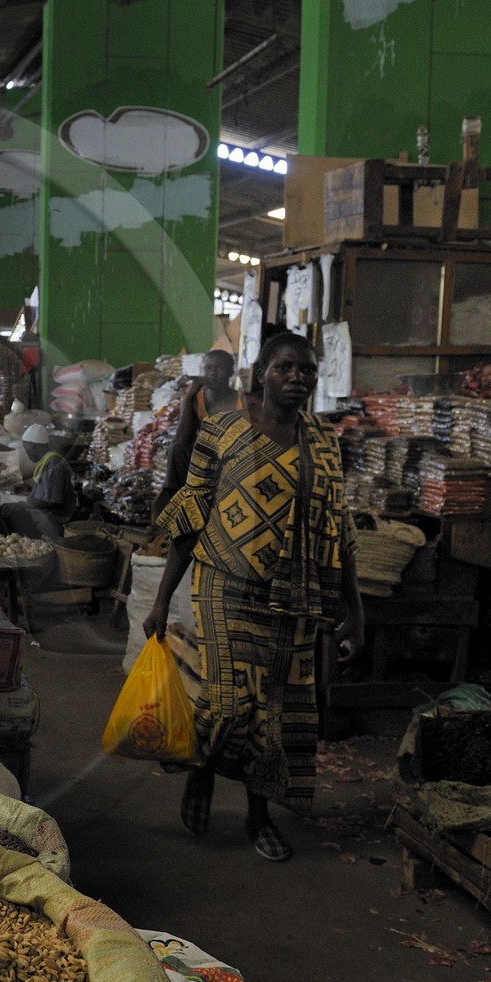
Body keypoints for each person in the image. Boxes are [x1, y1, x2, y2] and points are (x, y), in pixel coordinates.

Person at [142, 332, 364, 864]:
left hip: (297, 595)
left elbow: (339, 526)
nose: (297, 378)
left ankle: (258, 814)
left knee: (275, 715)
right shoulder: (222, 432)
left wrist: (355, 609)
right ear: (261, 373)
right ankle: (201, 770)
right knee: (229, 703)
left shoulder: (324, 441)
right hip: (226, 584)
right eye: (285, 367)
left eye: (307, 370)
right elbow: (191, 517)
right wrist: (161, 599)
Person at [153, 349, 243, 517]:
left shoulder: (241, 400)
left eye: (220, 368)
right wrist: (188, 397)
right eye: (209, 368)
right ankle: (179, 503)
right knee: (177, 449)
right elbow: (182, 437)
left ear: (230, 372)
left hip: (234, 457)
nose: (213, 373)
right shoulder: (198, 400)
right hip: (206, 459)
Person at [0, 424, 74, 539]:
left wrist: (21, 506)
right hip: (40, 513)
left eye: (26, 448)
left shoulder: (54, 465)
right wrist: (29, 491)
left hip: (51, 520)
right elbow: (47, 492)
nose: (26, 452)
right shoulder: (48, 461)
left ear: (33, 445)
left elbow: (52, 502)